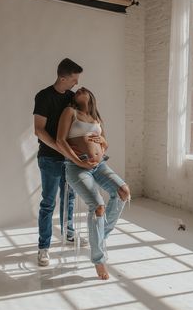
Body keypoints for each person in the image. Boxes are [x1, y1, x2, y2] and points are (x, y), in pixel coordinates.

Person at [56, 87, 131, 280]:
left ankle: (99, 235)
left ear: (91, 96)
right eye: (77, 88)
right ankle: (99, 259)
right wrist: (78, 161)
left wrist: (103, 141)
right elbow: (60, 141)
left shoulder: (96, 117)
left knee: (123, 191)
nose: (80, 88)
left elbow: (104, 144)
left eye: (84, 87)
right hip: (77, 166)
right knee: (98, 207)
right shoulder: (70, 112)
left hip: (100, 165)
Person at [33, 58, 87, 267]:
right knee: (48, 203)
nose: (76, 83)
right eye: (73, 79)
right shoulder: (44, 96)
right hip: (49, 158)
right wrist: (61, 148)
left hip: (69, 158)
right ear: (62, 77)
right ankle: (43, 247)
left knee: (70, 198)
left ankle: (69, 234)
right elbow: (39, 130)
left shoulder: (73, 98)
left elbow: (79, 124)